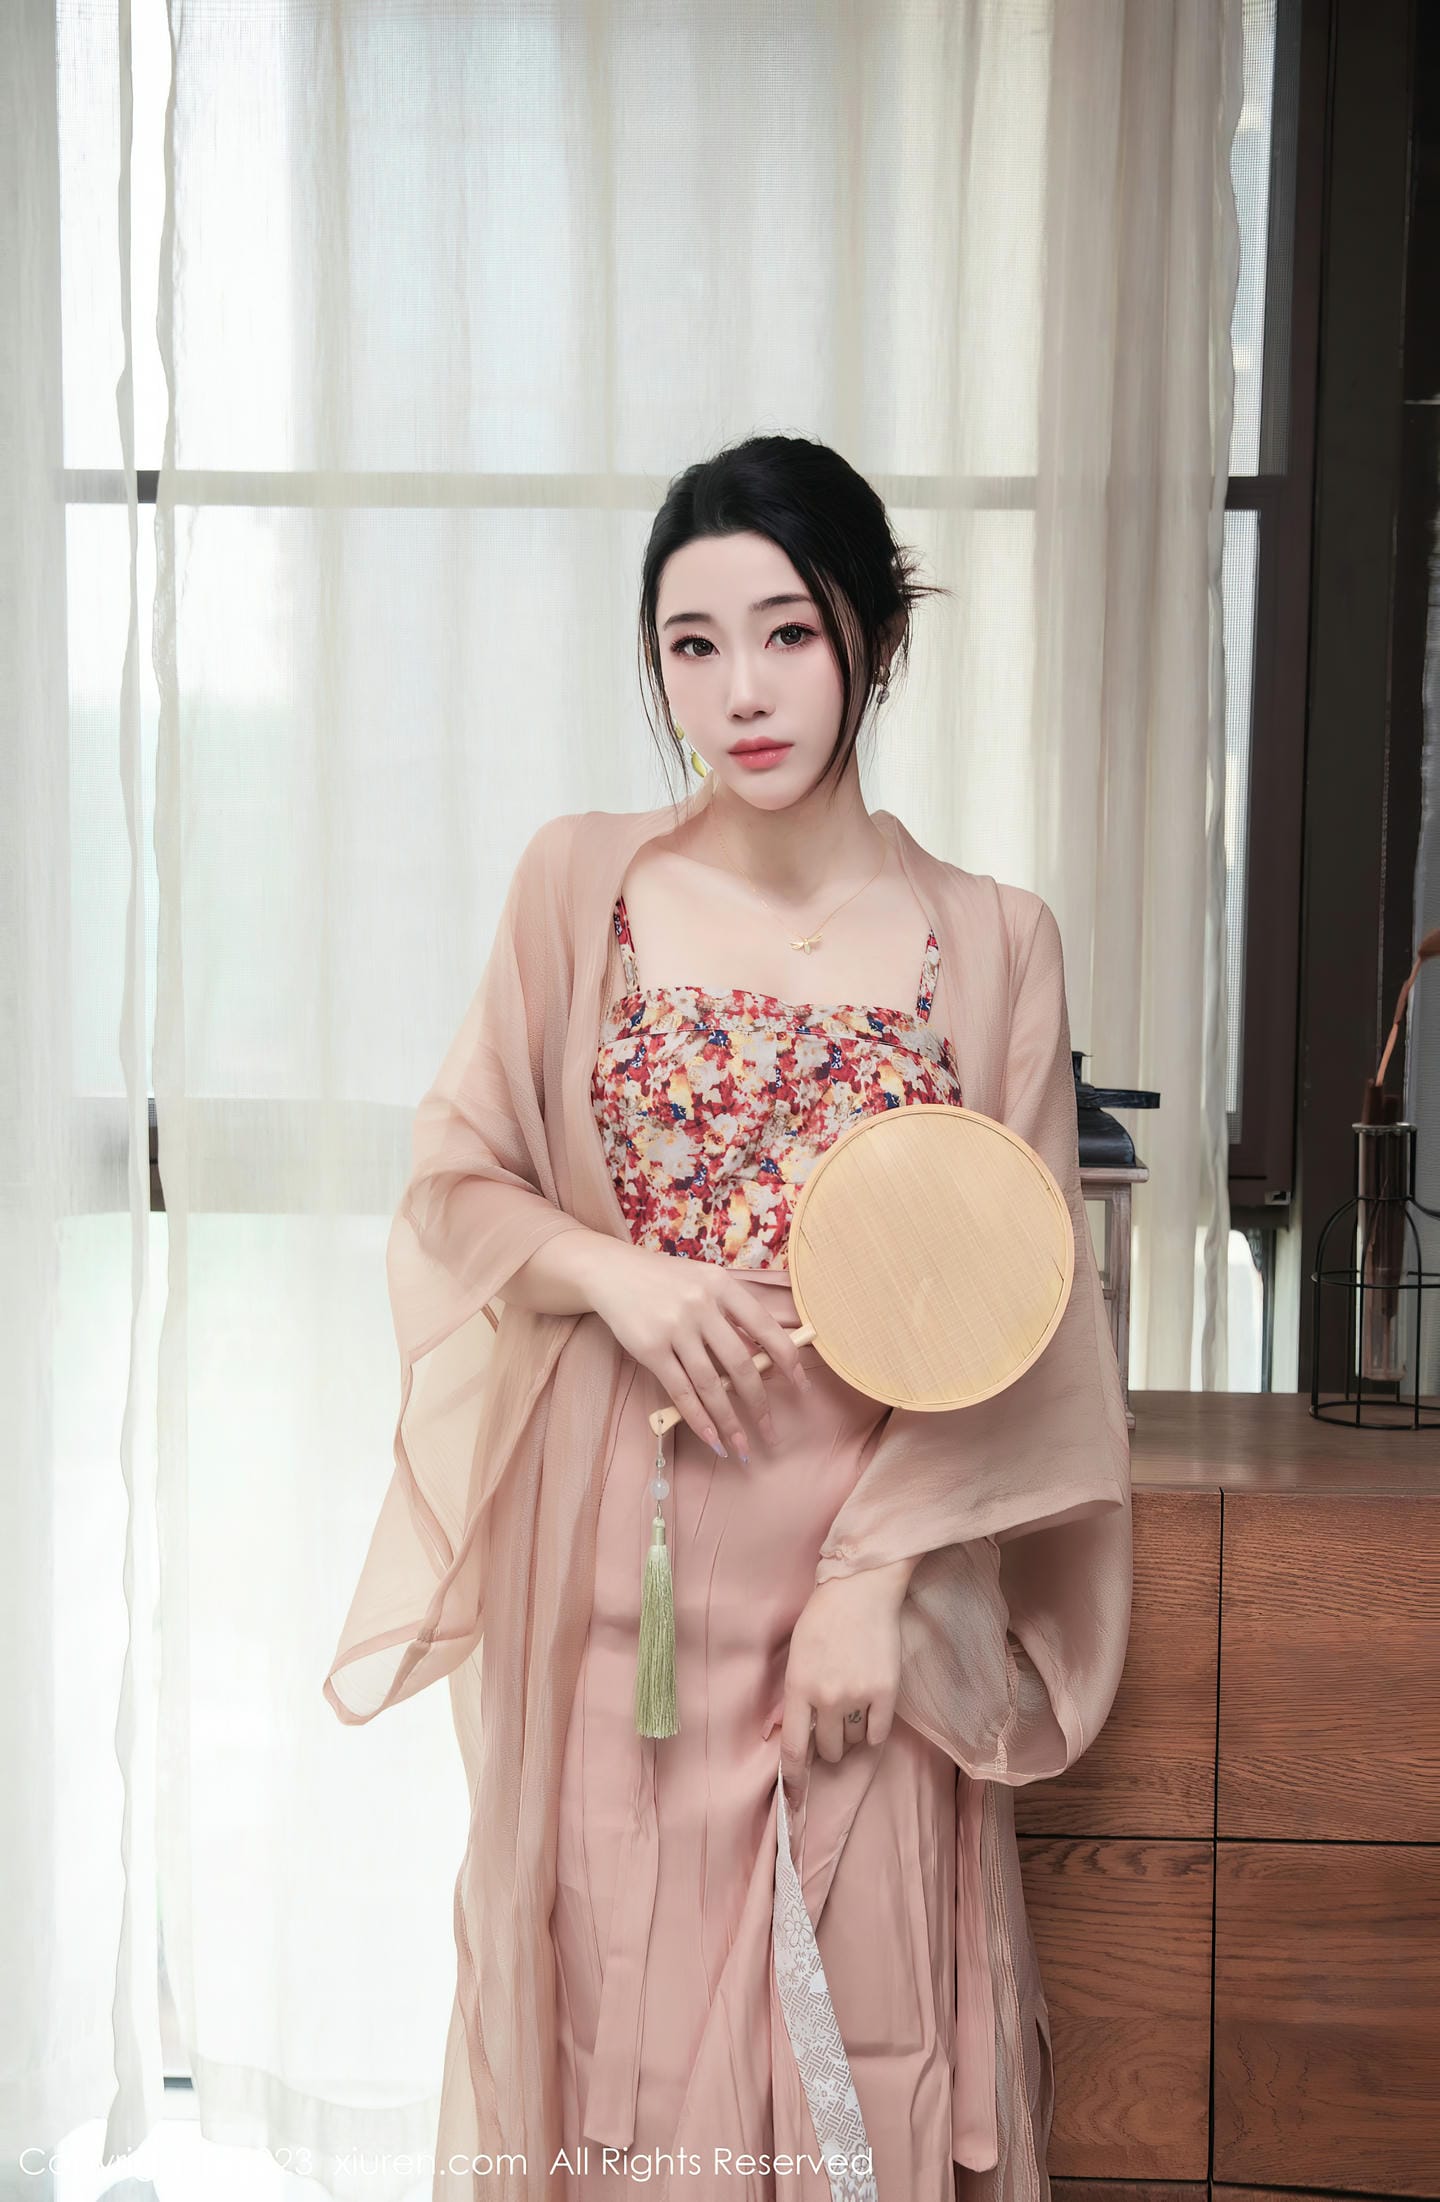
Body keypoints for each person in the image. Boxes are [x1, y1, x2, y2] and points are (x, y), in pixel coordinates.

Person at [324, 434, 1133, 2202]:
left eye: (787, 631)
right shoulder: (583, 887)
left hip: (866, 1573)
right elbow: (458, 1180)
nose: (741, 690)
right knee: (617, 2031)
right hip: (627, 1573)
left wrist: (875, 1584)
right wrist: (613, 1269)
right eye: (692, 644)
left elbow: (1025, 1311)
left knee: (860, 2034)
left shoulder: (991, 936)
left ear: (871, 640)